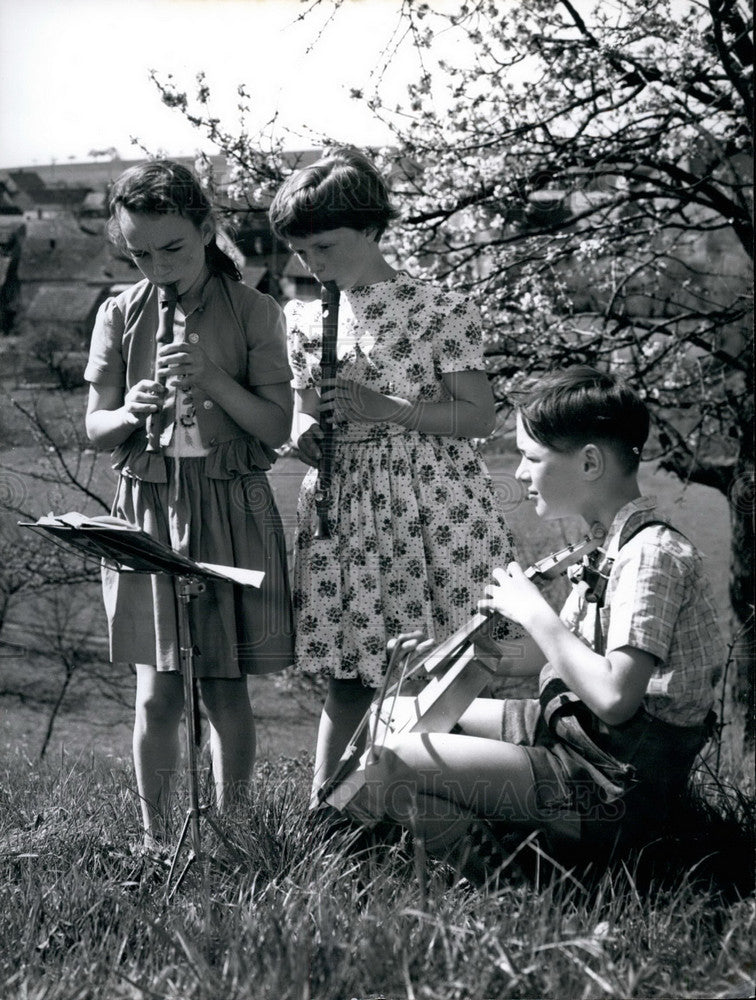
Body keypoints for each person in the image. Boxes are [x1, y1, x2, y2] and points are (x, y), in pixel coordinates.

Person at [364, 366, 721, 879]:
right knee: (394, 714)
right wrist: (442, 652)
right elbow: (567, 658)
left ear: (590, 462)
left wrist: (532, 609)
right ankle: (506, 841)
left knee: (393, 758)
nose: (519, 473)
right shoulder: (610, 543)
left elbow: (617, 699)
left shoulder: (651, 556)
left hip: (606, 782)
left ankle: (517, 880)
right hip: (577, 736)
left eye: (532, 458)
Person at [268, 146, 523, 805]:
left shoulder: (439, 309)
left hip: (433, 504)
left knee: (442, 670)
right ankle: (328, 818)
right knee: (352, 676)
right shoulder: (303, 319)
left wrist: (392, 410)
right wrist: (305, 437)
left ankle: (442, 811)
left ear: (371, 229)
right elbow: (298, 420)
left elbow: (477, 417)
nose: (312, 264)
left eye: (323, 247)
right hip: (347, 508)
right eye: (301, 253)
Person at [84, 160, 294, 844]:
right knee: (157, 689)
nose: (157, 266)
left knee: (223, 685)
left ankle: (232, 832)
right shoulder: (120, 311)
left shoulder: (255, 311)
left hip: (227, 505)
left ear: (207, 231)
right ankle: (154, 836)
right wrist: (129, 414)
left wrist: (211, 380)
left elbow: (277, 427)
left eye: (173, 248)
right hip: (149, 506)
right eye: (140, 253)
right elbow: (94, 426)